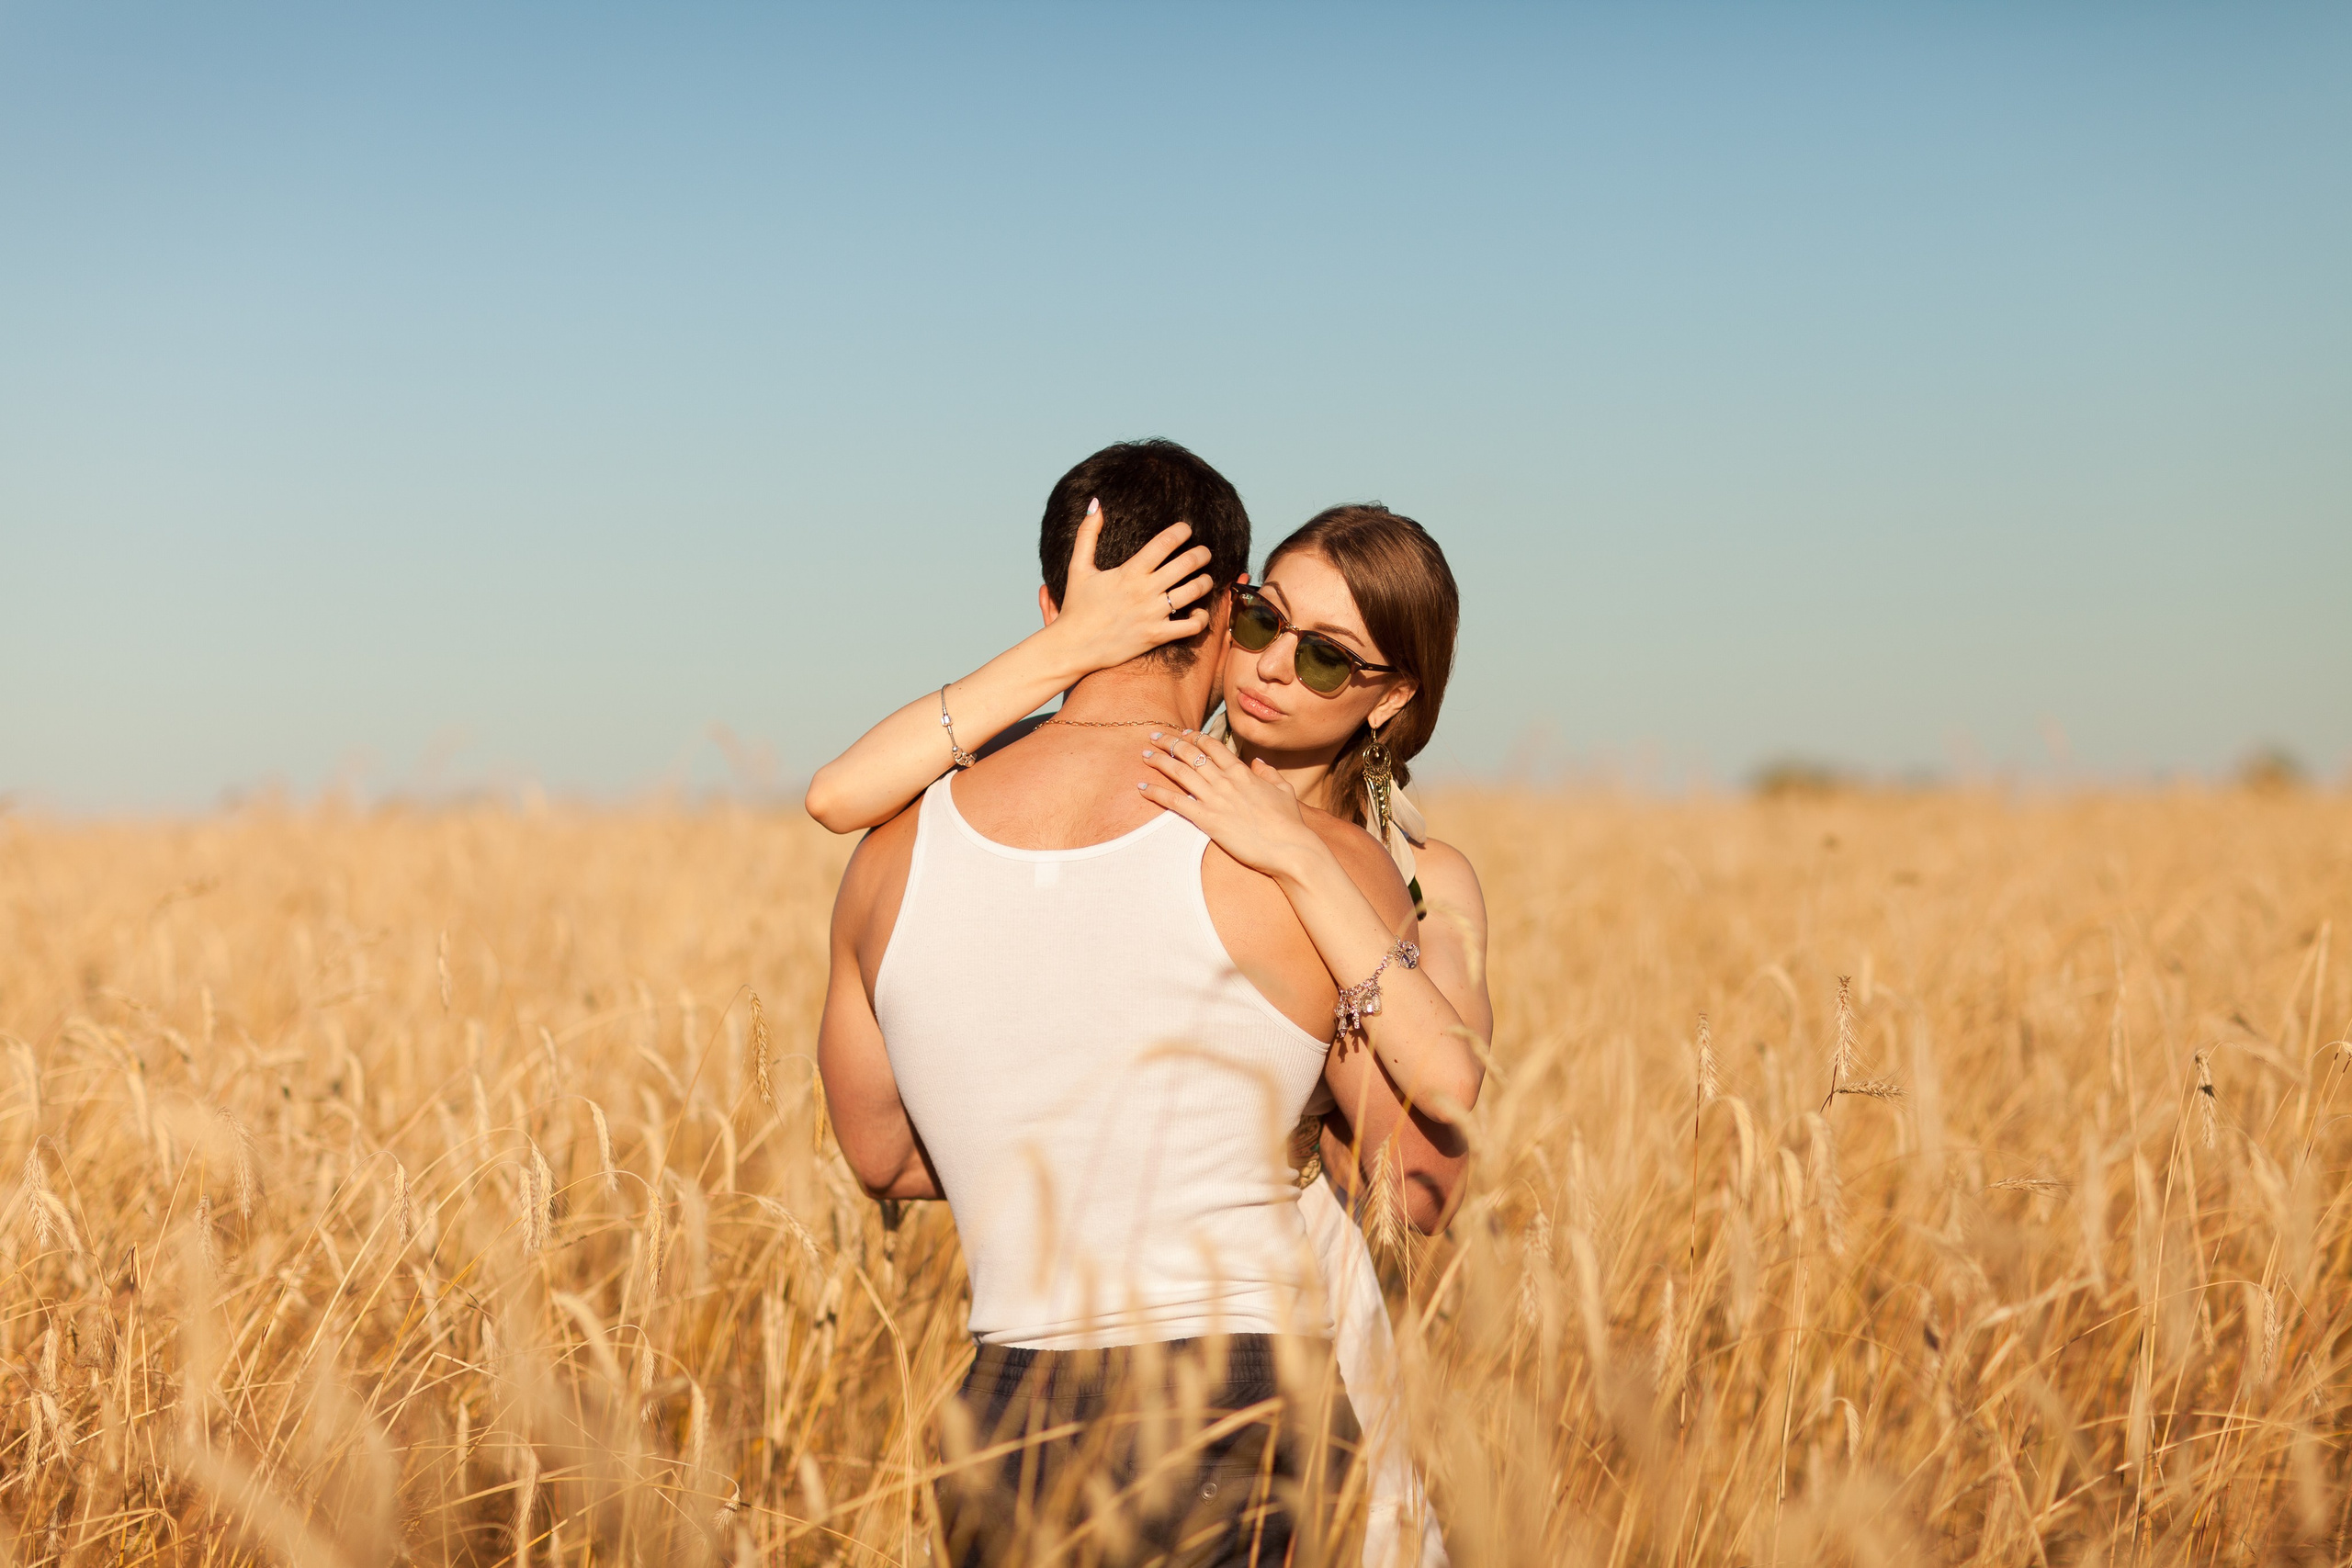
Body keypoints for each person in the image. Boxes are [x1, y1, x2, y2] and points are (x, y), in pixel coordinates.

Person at [816, 439, 1487, 1567]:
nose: (1276, 668)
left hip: (1008, 1395)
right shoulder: (1285, 856)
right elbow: (1417, 1163)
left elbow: (881, 1158)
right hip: (1239, 1379)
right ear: (1229, 614)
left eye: (1329, 661)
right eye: (1269, 625)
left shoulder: (902, 851)